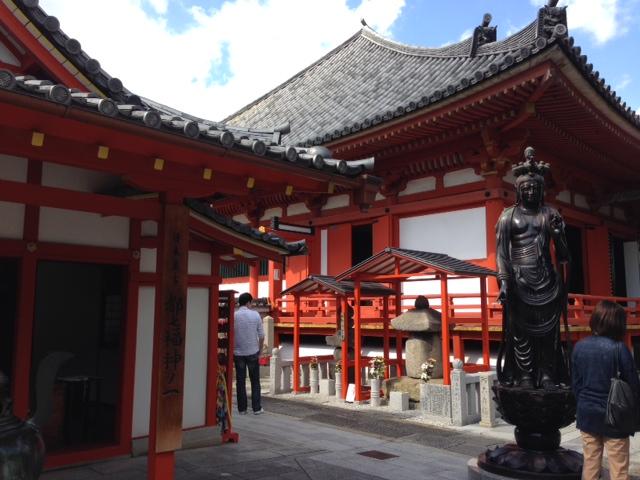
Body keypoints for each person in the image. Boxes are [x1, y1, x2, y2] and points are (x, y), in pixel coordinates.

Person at [495, 147, 571, 390]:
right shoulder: (508, 216)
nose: (531, 191)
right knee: (520, 333)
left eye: (535, 188)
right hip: (519, 280)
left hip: (547, 279)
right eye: (526, 188)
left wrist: (558, 235)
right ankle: (525, 374)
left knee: (550, 333)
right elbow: (501, 253)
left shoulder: (550, 214)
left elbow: (564, 256)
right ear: (518, 190)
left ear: (541, 190)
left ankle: (548, 374)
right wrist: (504, 282)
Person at [572, 300, 640, 480]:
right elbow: (633, 385)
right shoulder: (619, 348)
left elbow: (576, 383)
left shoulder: (579, 346)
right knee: (618, 468)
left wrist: (583, 403)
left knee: (590, 463)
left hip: (587, 413)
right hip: (615, 416)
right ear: (616, 323)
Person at [233, 292, 265, 415]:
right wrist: (260, 350)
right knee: (255, 381)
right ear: (248, 302)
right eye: (251, 303)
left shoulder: (234, 315)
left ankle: (242, 409)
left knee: (240, 381)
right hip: (252, 351)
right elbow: (261, 335)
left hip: (238, 352)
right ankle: (256, 408)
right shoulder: (255, 315)